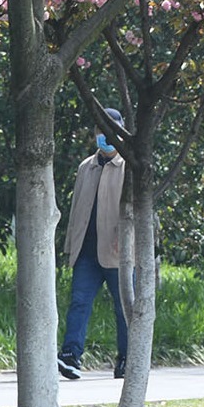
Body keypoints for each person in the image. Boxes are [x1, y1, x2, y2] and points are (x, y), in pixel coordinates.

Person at [58, 108, 130, 380]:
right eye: (102, 131)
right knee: (78, 302)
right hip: (86, 251)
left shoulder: (128, 166)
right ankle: (70, 356)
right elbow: (77, 208)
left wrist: (126, 240)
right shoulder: (85, 167)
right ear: (95, 134)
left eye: (112, 130)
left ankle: (126, 358)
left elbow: (136, 211)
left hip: (118, 252)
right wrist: (70, 246)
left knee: (124, 308)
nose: (106, 136)